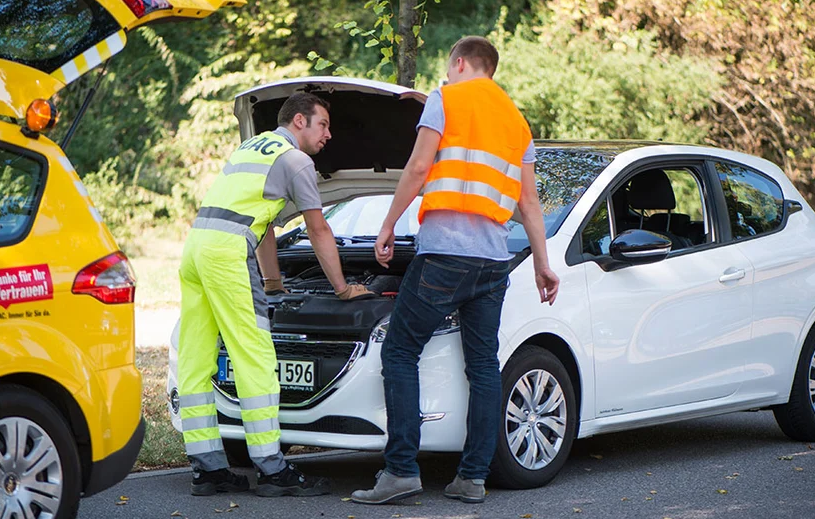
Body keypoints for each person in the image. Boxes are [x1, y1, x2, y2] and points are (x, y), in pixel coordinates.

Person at [351, 36, 560, 505]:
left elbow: (420, 165)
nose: (445, 79)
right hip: (492, 262)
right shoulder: (516, 122)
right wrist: (543, 265)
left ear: (459, 62)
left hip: (444, 254)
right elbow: (528, 202)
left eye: (448, 70)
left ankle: (401, 469)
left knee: (400, 351)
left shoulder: (447, 97)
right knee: (484, 366)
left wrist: (387, 225)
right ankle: (472, 478)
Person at [178, 92, 373, 498]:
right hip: (229, 255)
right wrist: (342, 287)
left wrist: (274, 283)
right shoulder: (296, 160)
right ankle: (272, 469)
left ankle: (209, 469)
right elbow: (318, 228)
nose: (329, 135)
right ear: (299, 121)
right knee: (257, 358)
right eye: (323, 124)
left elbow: (265, 224)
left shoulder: (252, 147)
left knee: (196, 360)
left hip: (196, 249)